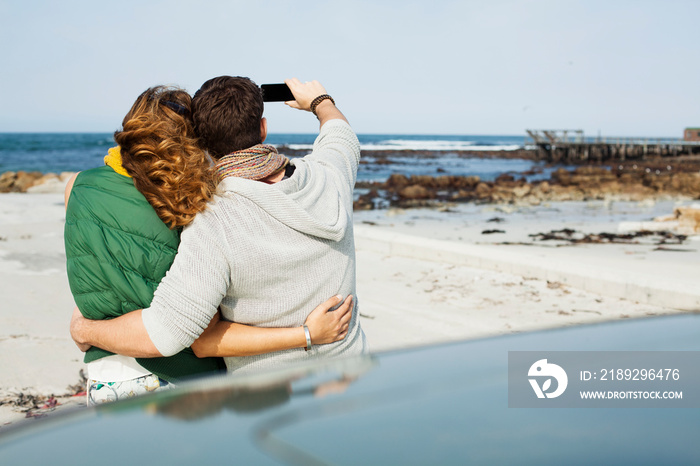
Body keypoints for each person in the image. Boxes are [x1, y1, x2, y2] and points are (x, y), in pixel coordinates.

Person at [65, 86, 352, 404]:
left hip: (106, 379)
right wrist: (320, 102)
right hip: (183, 380)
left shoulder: (77, 185)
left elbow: (88, 270)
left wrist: (84, 328)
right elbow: (340, 138)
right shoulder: (193, 204)